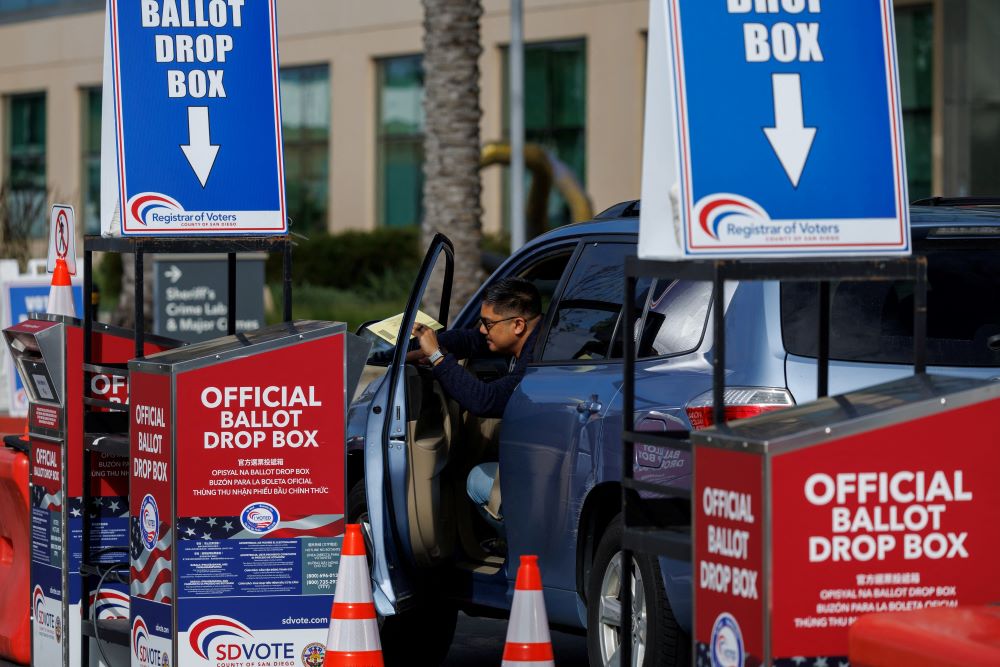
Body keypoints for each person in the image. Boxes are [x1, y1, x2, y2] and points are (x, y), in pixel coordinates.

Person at [410, 278, 541, 545]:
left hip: (544, 483)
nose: (482, 330)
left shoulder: (540, 358)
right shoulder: (539, 336)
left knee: (477, 479)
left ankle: (524, 553)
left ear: (517, 325)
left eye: (488, 324)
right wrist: (407, 349)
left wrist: (437, 356)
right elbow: (467, 340)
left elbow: (485, 400)